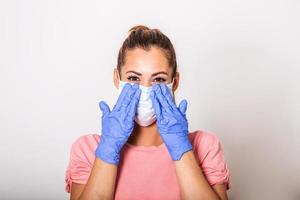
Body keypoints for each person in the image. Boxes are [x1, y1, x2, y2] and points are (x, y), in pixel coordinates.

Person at [65, 25, 230, 200]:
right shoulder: (87, 149)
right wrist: (108, 148)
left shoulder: (204, 146)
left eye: (158, 79)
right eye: (134, 78)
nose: (145, 88)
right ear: (116, 78)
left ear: (174, 83)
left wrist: (182, 149)